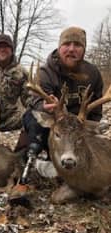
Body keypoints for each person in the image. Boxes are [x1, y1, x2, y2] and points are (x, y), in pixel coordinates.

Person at [22, 26, 104, 177]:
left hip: (78, 128)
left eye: (77, 45)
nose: (71, 49)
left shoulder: (92, 73)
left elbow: (96, 111)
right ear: (60, 48)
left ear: (84, 50)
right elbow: (35, 99)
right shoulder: (46, 72)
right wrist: (44, 106)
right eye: (66, 44)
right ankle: (34, 156)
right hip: (55, 124)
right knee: (33, 117)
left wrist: (90, 131)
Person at [0, 33, 30, 132]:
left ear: (12, 50)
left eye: (6, 47)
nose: (2, 49)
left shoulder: (22, 72)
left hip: (10, 120)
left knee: (31, 117)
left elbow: (28, 99)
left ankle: (25, 146)